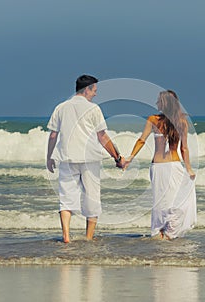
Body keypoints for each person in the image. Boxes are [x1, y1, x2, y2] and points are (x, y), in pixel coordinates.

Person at [46, 75, 124, 243]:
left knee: (66, 197)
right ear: (87, 89)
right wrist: (117, 157)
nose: (95, 94)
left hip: (67, 158)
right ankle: (88, 237)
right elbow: (102, 137)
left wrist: (49, 157)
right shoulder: (93, 109)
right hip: (90, 159)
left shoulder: (61, 107)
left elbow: (53, 135)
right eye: (94, 90)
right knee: (92, 196)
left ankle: (66, 236)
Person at [123, 90, 196, 239]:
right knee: (175, 201)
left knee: (159, 202)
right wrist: (188, 168)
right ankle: (169, 233)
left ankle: (158, 233)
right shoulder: (182, 122)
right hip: (174, 166)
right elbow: (184, 148)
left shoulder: (153, 120)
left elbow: (141, 140)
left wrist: (130, 157)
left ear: (165, 104)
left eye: (159, 101)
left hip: (158, 167)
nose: (156, 103)